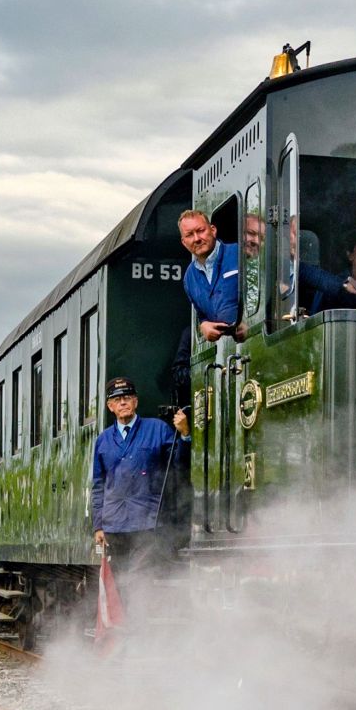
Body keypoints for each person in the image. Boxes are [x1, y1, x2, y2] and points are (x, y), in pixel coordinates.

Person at [90, 377, 191, 595]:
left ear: (135, 401)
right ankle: (129, 624)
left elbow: (178, 465)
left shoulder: (158, 429)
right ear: (110, 407)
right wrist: (98, 525)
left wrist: (184, 434)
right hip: (115, 524)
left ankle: (137, 624)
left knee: (138, 576)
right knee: (120, 580)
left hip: (147, 521)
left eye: (127, 397)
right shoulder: (103, 440)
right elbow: (98, 485)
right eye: (117, 399)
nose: (123, 402)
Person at [179, 209, 240, 344]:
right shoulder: (189, 279)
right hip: (226, 355)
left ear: (213, 230)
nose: (197, 239)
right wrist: (204, 325)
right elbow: (202, 315)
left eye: (200, 230)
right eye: (189, 235)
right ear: (184, 242)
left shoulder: (240, 253)